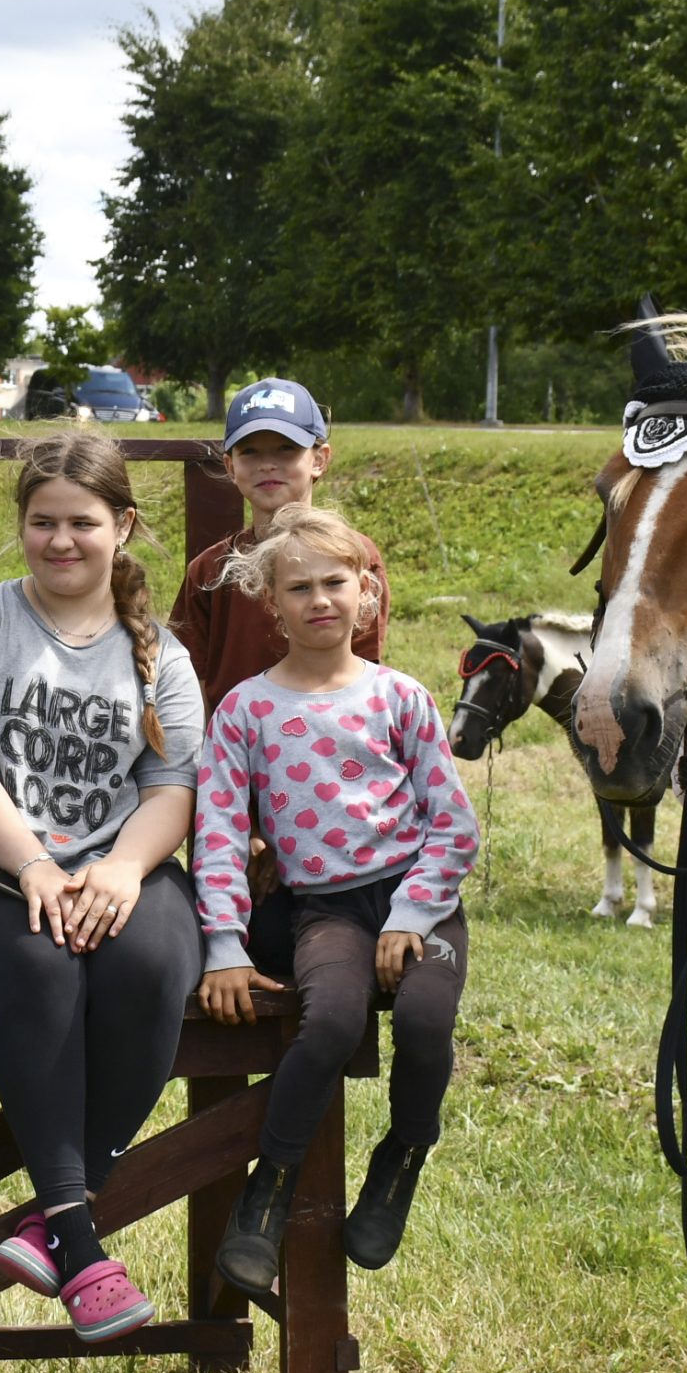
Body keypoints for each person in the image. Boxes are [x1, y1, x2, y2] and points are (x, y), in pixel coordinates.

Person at [0, 429, 205, 1344]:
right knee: (45, 969)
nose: (60, 540)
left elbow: (173, 790)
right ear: (21, 525)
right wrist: (35, 865)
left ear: (121, 525)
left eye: (82, 522)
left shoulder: (162, 654)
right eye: (42, 521)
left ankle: (50, 1219)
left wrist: (121, 868)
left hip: (125, 867)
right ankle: (81, 1245)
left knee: (154, 964)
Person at [191, 507, 478, 1296]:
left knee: (424, 1018)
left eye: (335, 582)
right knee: (330, 1021)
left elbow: (453, 825)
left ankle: (402, 1158)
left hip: (418, 898)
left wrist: (412, 915)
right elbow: (218, 832)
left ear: (366, 593)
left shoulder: (400, 696)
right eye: (299, 588)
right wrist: (225, 943)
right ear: (272, 604)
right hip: (325, 909)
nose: (319, 599)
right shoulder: (245, 710)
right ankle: (268, 1192)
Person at [170, 377, 388, 718]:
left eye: (286, 448)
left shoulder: (354, 556)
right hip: (234, 743)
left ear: (319, 459)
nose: (267, 464)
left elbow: (363, 673)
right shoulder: (209, 569)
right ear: (230, 466)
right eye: (249, 451)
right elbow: (188, 681)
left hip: (332, 738)